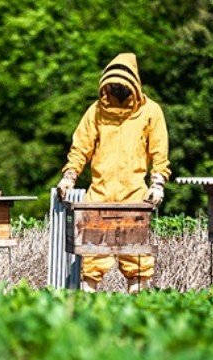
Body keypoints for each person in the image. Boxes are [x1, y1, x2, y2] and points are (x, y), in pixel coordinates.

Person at [57, 53, 170, 293]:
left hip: (134, 195)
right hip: (100, 193)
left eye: (122, 85)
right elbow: (80, 148)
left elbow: (159, 151)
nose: (117, 89)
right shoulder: (96, 112)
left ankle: (136, 316)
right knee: (92, 262)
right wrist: (69, 177)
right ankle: (90, 315)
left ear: (134, 85)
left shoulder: (151, 111)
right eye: (113, 85)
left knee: (137, 262)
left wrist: (158, 182)